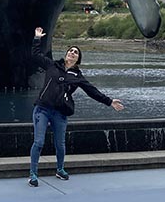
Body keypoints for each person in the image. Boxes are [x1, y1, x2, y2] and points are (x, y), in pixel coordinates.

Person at [28, 26, 124, 187]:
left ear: (78, 59)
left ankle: (60, 169)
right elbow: (36, 55)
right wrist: (37, 38)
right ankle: (33, 174)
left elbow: (92, 91)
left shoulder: (78, 77)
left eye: (76, 52)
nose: (72, 53)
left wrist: (109, 101)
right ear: (66, 54)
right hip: (42, 109)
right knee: (38, 142)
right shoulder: (52, 65)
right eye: (70, 51)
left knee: (60, 144)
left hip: (60, 112)